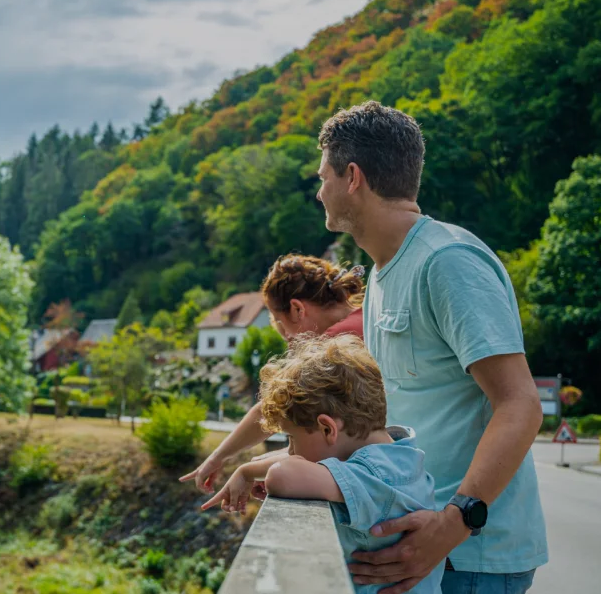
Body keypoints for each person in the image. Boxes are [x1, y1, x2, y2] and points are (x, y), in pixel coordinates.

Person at [314, 101, 546, 594]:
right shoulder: (379, 274)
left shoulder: (447, 261)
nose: (320, 192)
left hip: (469, 559)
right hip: (421, 553)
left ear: (352, 177)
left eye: (324, 177)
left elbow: (520, 405)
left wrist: (453, 523)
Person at [201, 334, 444, 594]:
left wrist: (253, 470)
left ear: (327, 429)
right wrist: (247, 470)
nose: (290, 451)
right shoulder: (400, 454)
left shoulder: (376, 475)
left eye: (292, 439)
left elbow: (282, 476)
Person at [180, 254, 365, 492]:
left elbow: (276, 407)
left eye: (284, 327)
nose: (289, 343)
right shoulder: (365, 319)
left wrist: (218, 457)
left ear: (297, 309)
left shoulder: (335, 344)